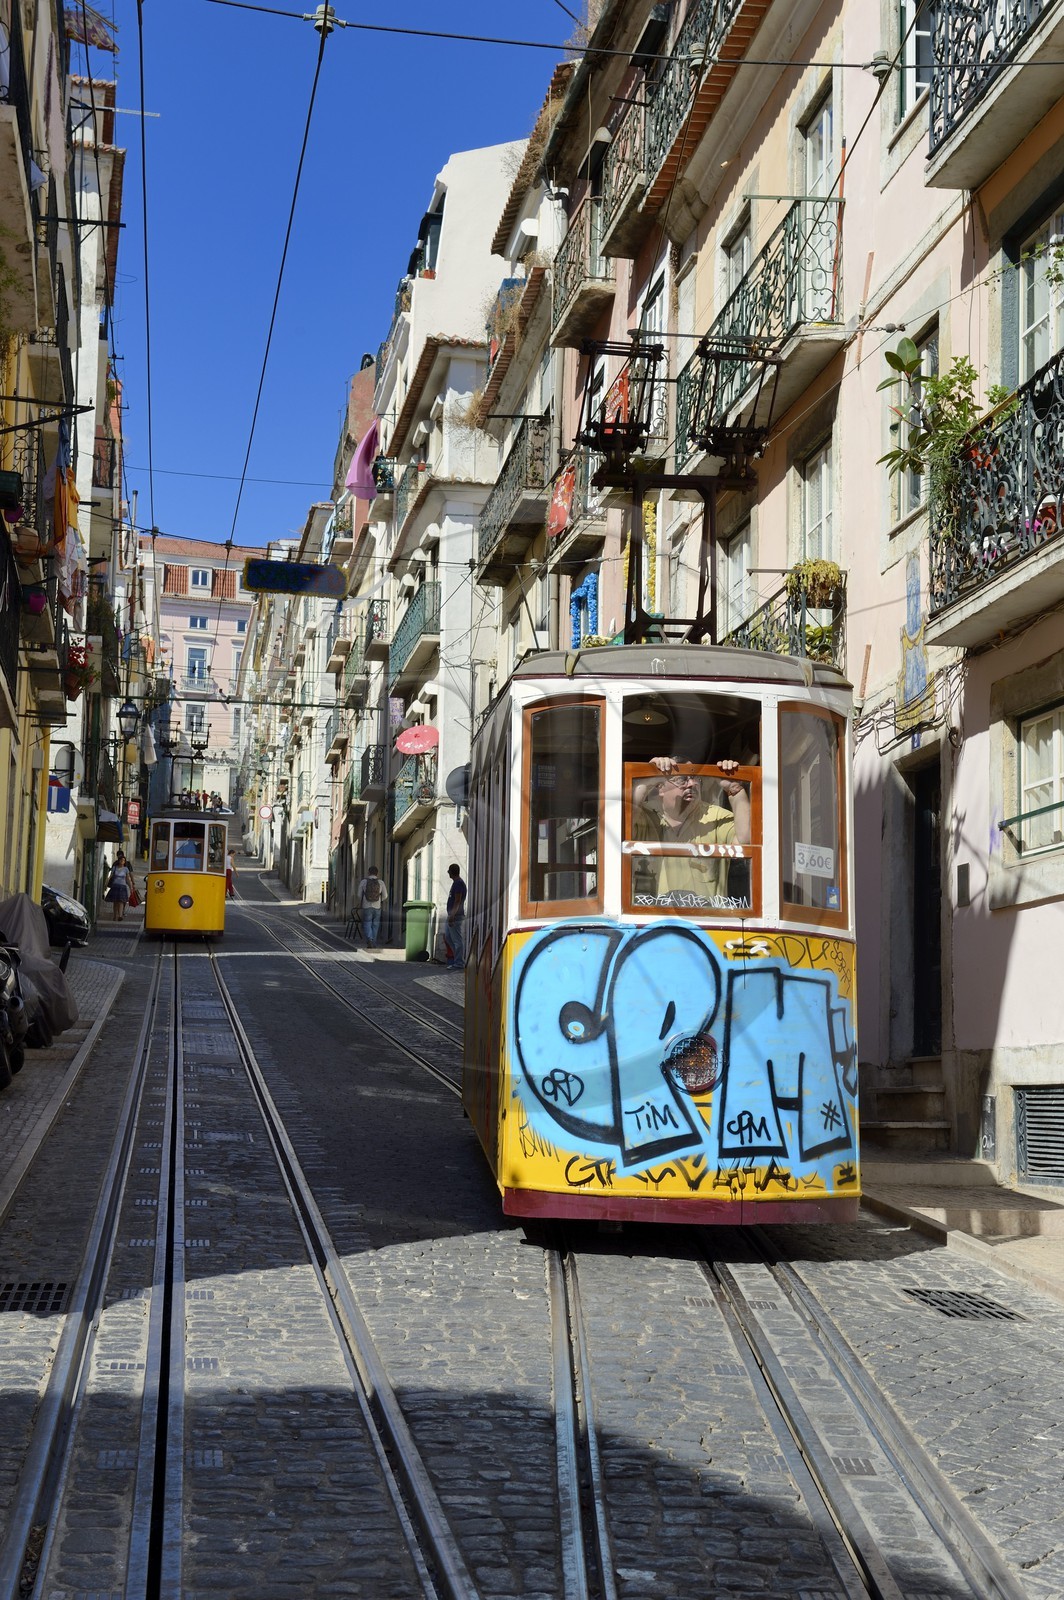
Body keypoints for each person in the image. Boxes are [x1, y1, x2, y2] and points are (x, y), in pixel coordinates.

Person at [632, 755, 751, 908]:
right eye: (682, 779)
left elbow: (745, 841)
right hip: (652, 923)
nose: (692, 783)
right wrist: (647, 779)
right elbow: (622, 824)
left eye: (695, 778)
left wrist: (736, 791)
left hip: (708, 924)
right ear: (660, 787)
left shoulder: (715, 816)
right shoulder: (646, 815)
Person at [356, 865, 387, 948]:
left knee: (367, 923)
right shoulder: (381, 882)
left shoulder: (364, 882)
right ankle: (373, 941)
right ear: (377, 873)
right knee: (375, 924)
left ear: (368, 872)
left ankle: (369, 938)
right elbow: (385, 895)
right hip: (377, 906)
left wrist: (364, 899)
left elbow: (359, 895)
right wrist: (380, 900)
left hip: (366, 906)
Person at [445, 862, 467, 970]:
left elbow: (457, 900)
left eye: (449, 871)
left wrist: (452, 915)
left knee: (457, 940)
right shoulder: (456, 882)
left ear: (452, 872)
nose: (448, 873)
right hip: (452, 915)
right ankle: (457, 959)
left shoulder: (458, 883)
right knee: (448, 937)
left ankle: (459, 962)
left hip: (456, 916)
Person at [106, 851, 132, 922]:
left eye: (124, 860)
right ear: (119, 860)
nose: (122, 861)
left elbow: (128, 879)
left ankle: (120, 916)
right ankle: (115, 915)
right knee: (115, 902)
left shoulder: (126, 869)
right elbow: (110, 876)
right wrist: (106, 884)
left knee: (121, 902)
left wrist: (131, 887)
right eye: (121, 860)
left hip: (122, 887)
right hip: (115, 886)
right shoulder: (114, 868)